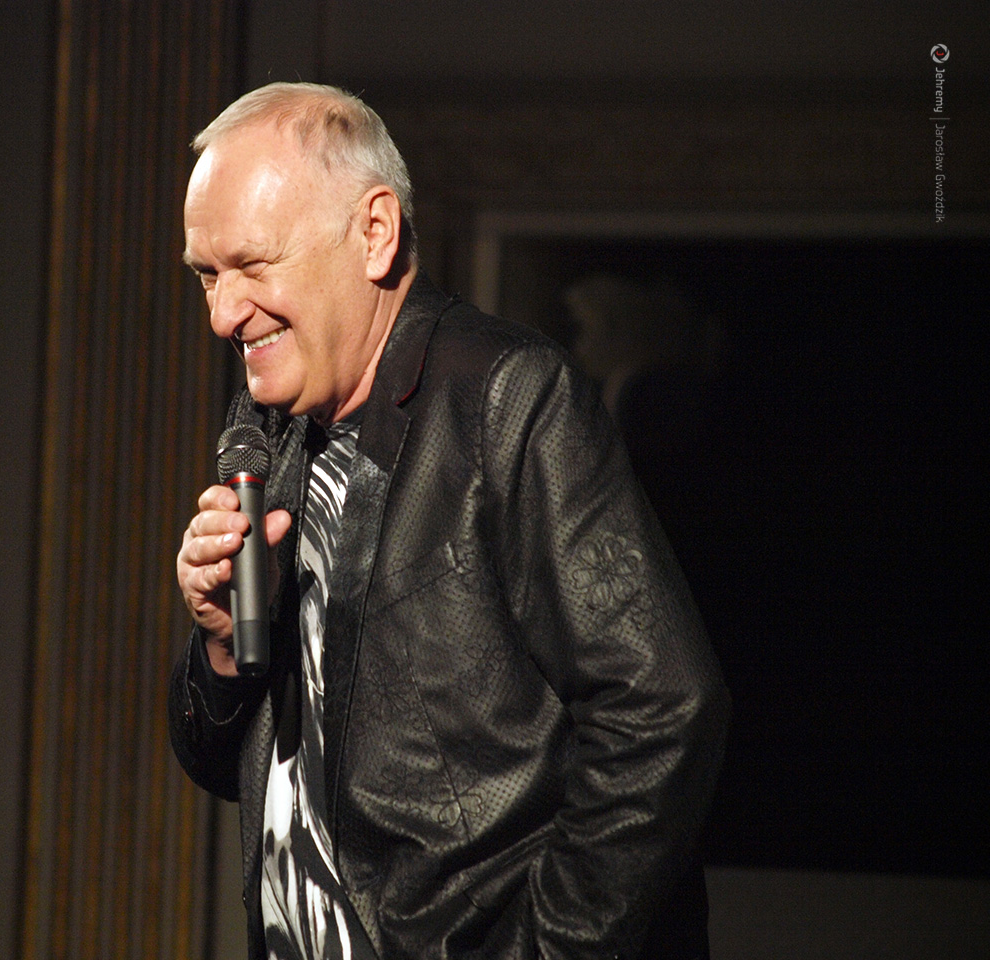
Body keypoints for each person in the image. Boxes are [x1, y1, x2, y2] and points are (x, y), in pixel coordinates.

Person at [169, 82, 729, 960]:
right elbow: (225, 766)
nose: (221, 313)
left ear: (375, 233)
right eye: (207, 275)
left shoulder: (506, 399)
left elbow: (663, 713)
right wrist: (221, 646)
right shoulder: (274, 435)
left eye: (252, 265)